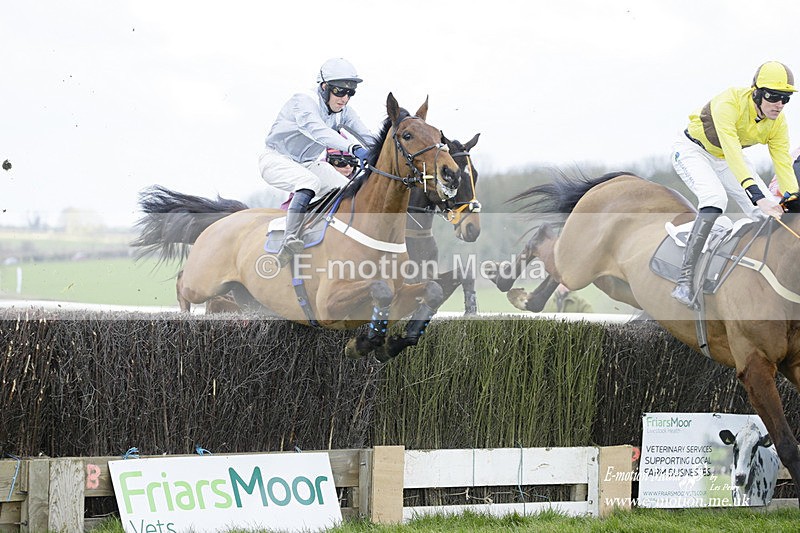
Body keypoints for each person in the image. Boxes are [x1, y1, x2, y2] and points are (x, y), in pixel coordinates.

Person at [670, 61, 797, 307]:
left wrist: (793, 197)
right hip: (693, 151)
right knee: (716, 199)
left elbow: (782, 162)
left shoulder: (778, 123)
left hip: (725, 158)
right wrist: (756, 195)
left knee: (771, 210)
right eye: (773, 96)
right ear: (756, 92)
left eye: (786, 98)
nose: (779, 104)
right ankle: (684, 279)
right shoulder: (729, 102)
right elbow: (733, 152)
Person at [259, 58, 379, 266]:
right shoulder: (303, 101)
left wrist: (381, 153)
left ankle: (330, 239)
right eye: (340, 92)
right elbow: (318, 132)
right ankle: (290, 238)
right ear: (324, 87)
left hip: (307, 163)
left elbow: (367, 136)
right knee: (309, 183)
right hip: (275, 159)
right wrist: (353, 148)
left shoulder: (344, 112)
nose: (345, 99)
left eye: (350, 93)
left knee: (346, 189)